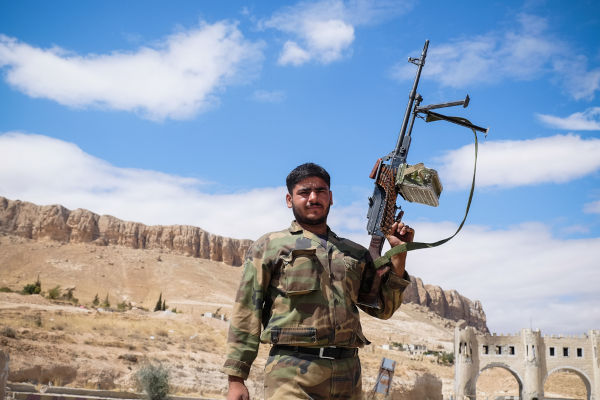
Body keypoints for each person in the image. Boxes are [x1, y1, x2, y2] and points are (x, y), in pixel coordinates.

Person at [223, 162, 414, 400]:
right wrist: (236, 379)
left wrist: (399, 255)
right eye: (304, 192)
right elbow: (246, 312)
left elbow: (383, 309)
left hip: (348, 374)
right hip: (292, 373)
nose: (313, 198)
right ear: (289, 200)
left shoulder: (354, 253)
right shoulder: (270, 246)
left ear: (331, 197)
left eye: (321, 191)